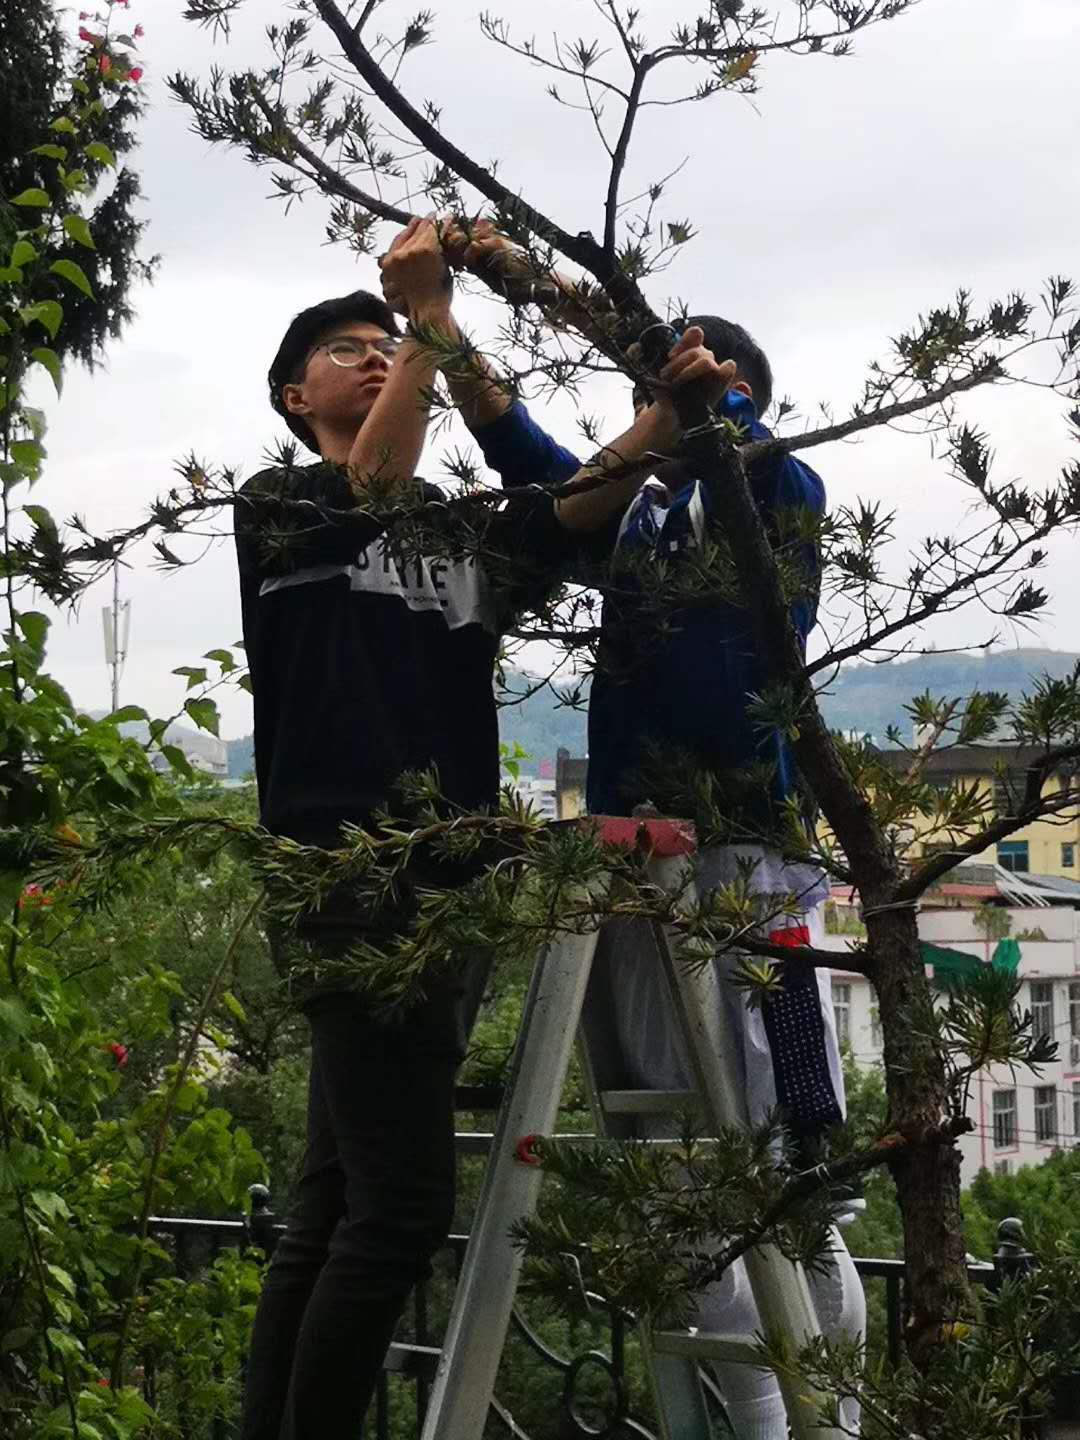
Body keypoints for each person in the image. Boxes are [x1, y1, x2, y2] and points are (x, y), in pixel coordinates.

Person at [234, 215, 733, 1440]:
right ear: (295, 396)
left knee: (337, 1198)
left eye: (376, 341)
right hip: (353, 878)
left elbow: (573, 505)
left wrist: (670, 416)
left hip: (449, 884)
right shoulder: (284, 506)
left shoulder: (458, 533)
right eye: (341, 351)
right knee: (397, 1214)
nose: (366, 357)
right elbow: (375, 486)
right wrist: (425, 322)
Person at [397, 222, 866, 1439]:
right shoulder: (648, 521)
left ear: (731, 391)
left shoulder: (776, 486)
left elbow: (736, 472)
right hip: (653, 863)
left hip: (746, 865)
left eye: (671, 391)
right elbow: (539, 469)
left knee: (778, 1166)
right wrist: (452, 341)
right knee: (702, 1179)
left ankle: (819, 1418)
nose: (648, 421)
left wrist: (702, 397)